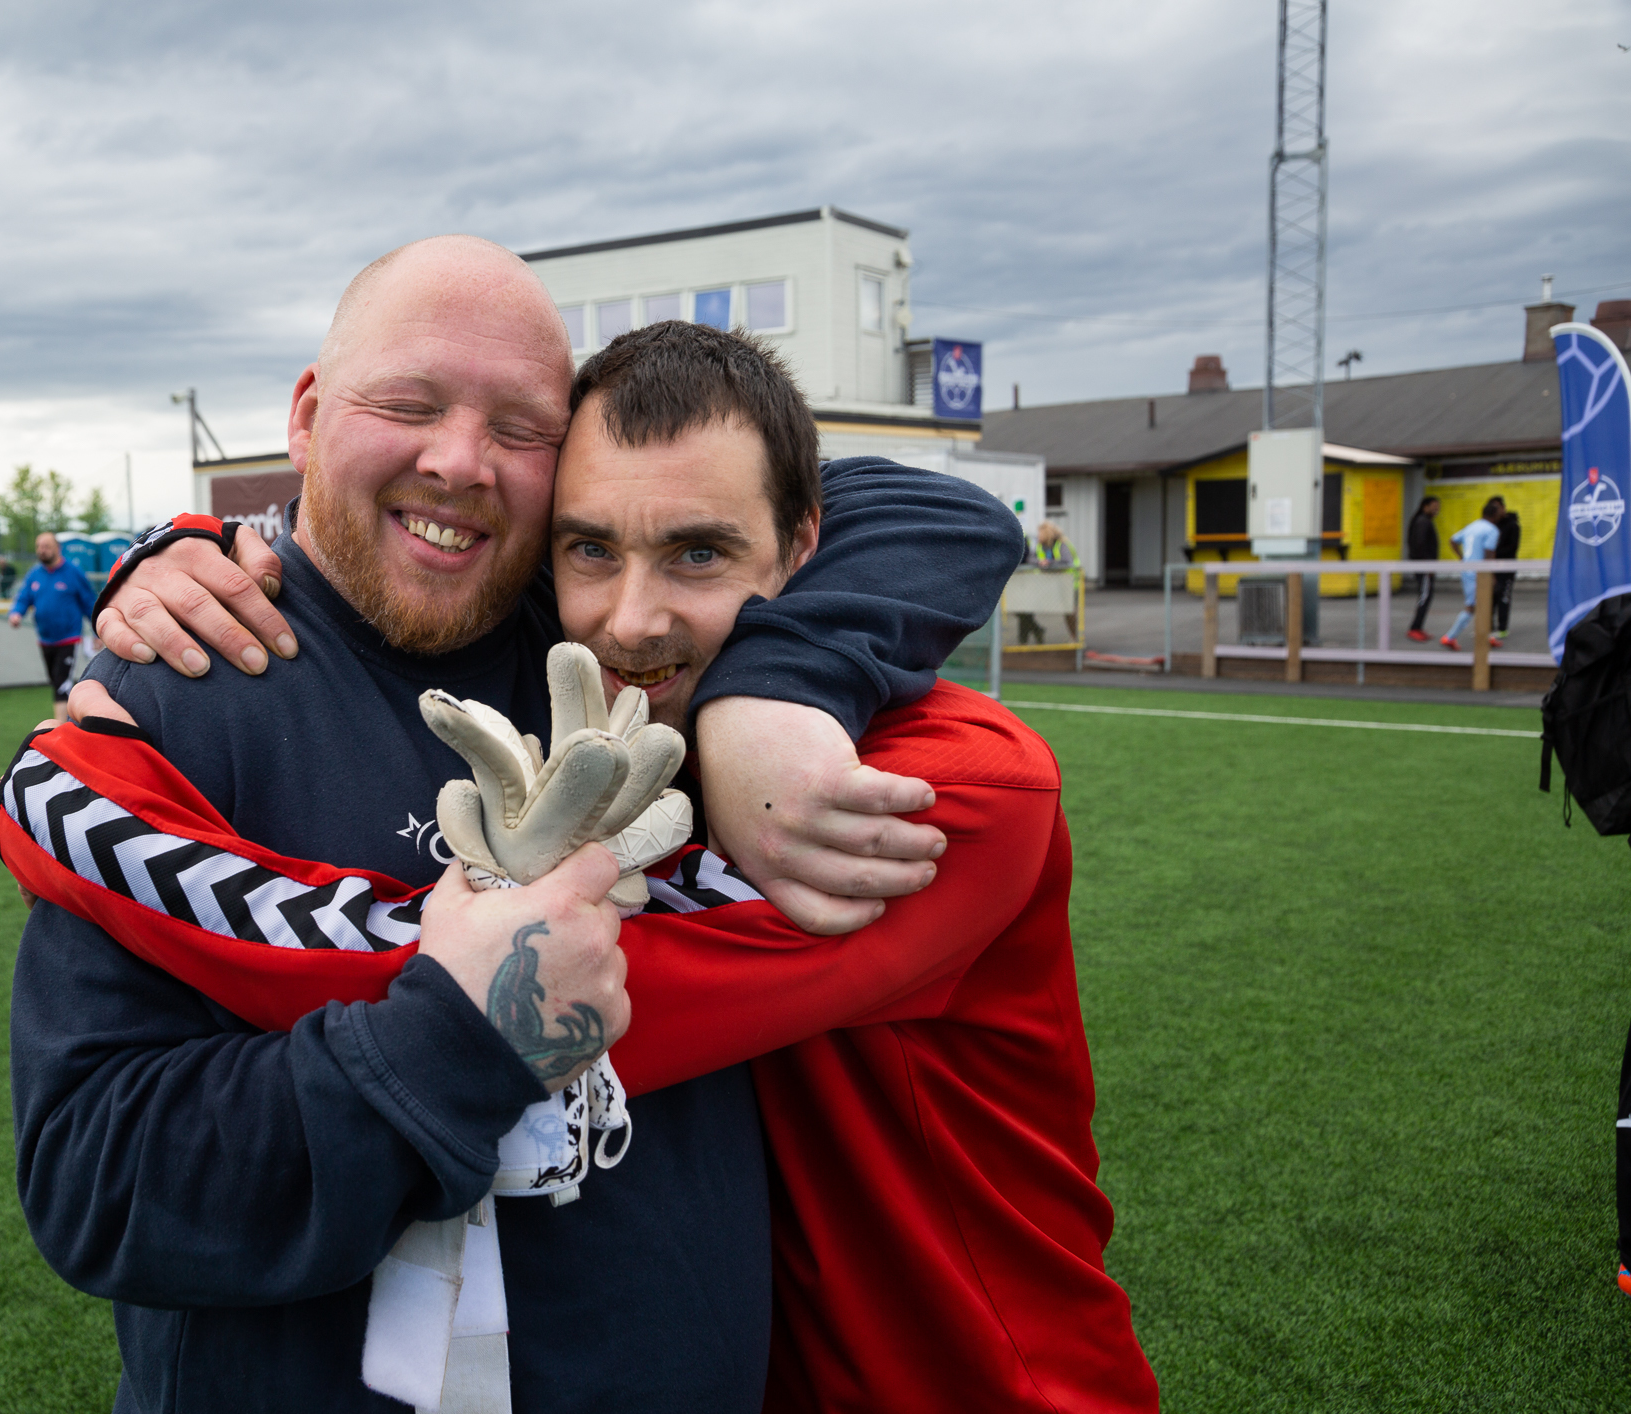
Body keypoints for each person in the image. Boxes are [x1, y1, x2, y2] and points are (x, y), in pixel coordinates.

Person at [65, 320, 1157, 1412]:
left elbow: (532, 973)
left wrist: (58, 804)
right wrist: (205, 543)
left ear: (804, 545)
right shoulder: (617, 736)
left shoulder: (953, 789)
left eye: (700, 552)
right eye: (589, 549)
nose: (632, 620)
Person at [8, 532, 97, 720]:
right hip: (45, 640)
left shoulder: (73, 572)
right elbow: (24, 598)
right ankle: (74, 721)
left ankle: (60, 732)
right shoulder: (34, 574)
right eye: (39, 546)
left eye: (46, 546)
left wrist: (98, 632)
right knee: (56, 682)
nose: (42, 550)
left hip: (69, 638)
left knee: (61, 684)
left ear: (57, 548)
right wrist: (16, 613)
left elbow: (89, 603)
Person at [1440, 497, 1505, 652]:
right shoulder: (1492, 530)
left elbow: (1453, 540)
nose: (1503, 512)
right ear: (1494, 514)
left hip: (1467, 570)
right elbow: (1489, 553)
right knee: (1471, 607)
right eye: (1501, 510)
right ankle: (1450, 637)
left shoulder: (1472, 526)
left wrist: (1462, 558)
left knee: (1482, 603)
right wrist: (1492, 575)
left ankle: (1486, 636)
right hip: (1479, 573)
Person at [1015, 519, 1081, 645]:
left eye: (1040, 533)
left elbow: (1067, 561)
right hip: (1049, 584)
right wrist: (1040, 562)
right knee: (1024, 609)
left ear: (1047, 533)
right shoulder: (1041, 546)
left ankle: (1076, 638)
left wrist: (1050, 563)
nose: (1038, 536)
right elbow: (1031, 558)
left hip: (1070, 583)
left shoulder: (1061, 544)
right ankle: (1033, 634)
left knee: (1070, 613)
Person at [1405, 494, 1442, 641]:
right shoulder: (1423, 522)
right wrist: (1428, 565)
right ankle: (1415, 628)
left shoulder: (1423, 520)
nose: (1436, 510)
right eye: (1433, 507)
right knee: (1425, 595)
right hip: (1424, 566)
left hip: (1424, 565)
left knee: (1425, 595)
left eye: (1438, 508)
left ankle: (1418, 627)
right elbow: (1419, 545)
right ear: (1425, 507)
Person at [1492, 506, 1523, 635]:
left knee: (1504, 598)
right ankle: (1487, 627)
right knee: (1490, 598)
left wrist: (1494, 554)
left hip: (1506, 569)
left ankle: (1502, 628)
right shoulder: (1493, 525)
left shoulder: (1513, 526)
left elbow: (1512, 547)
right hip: (1492, 568)